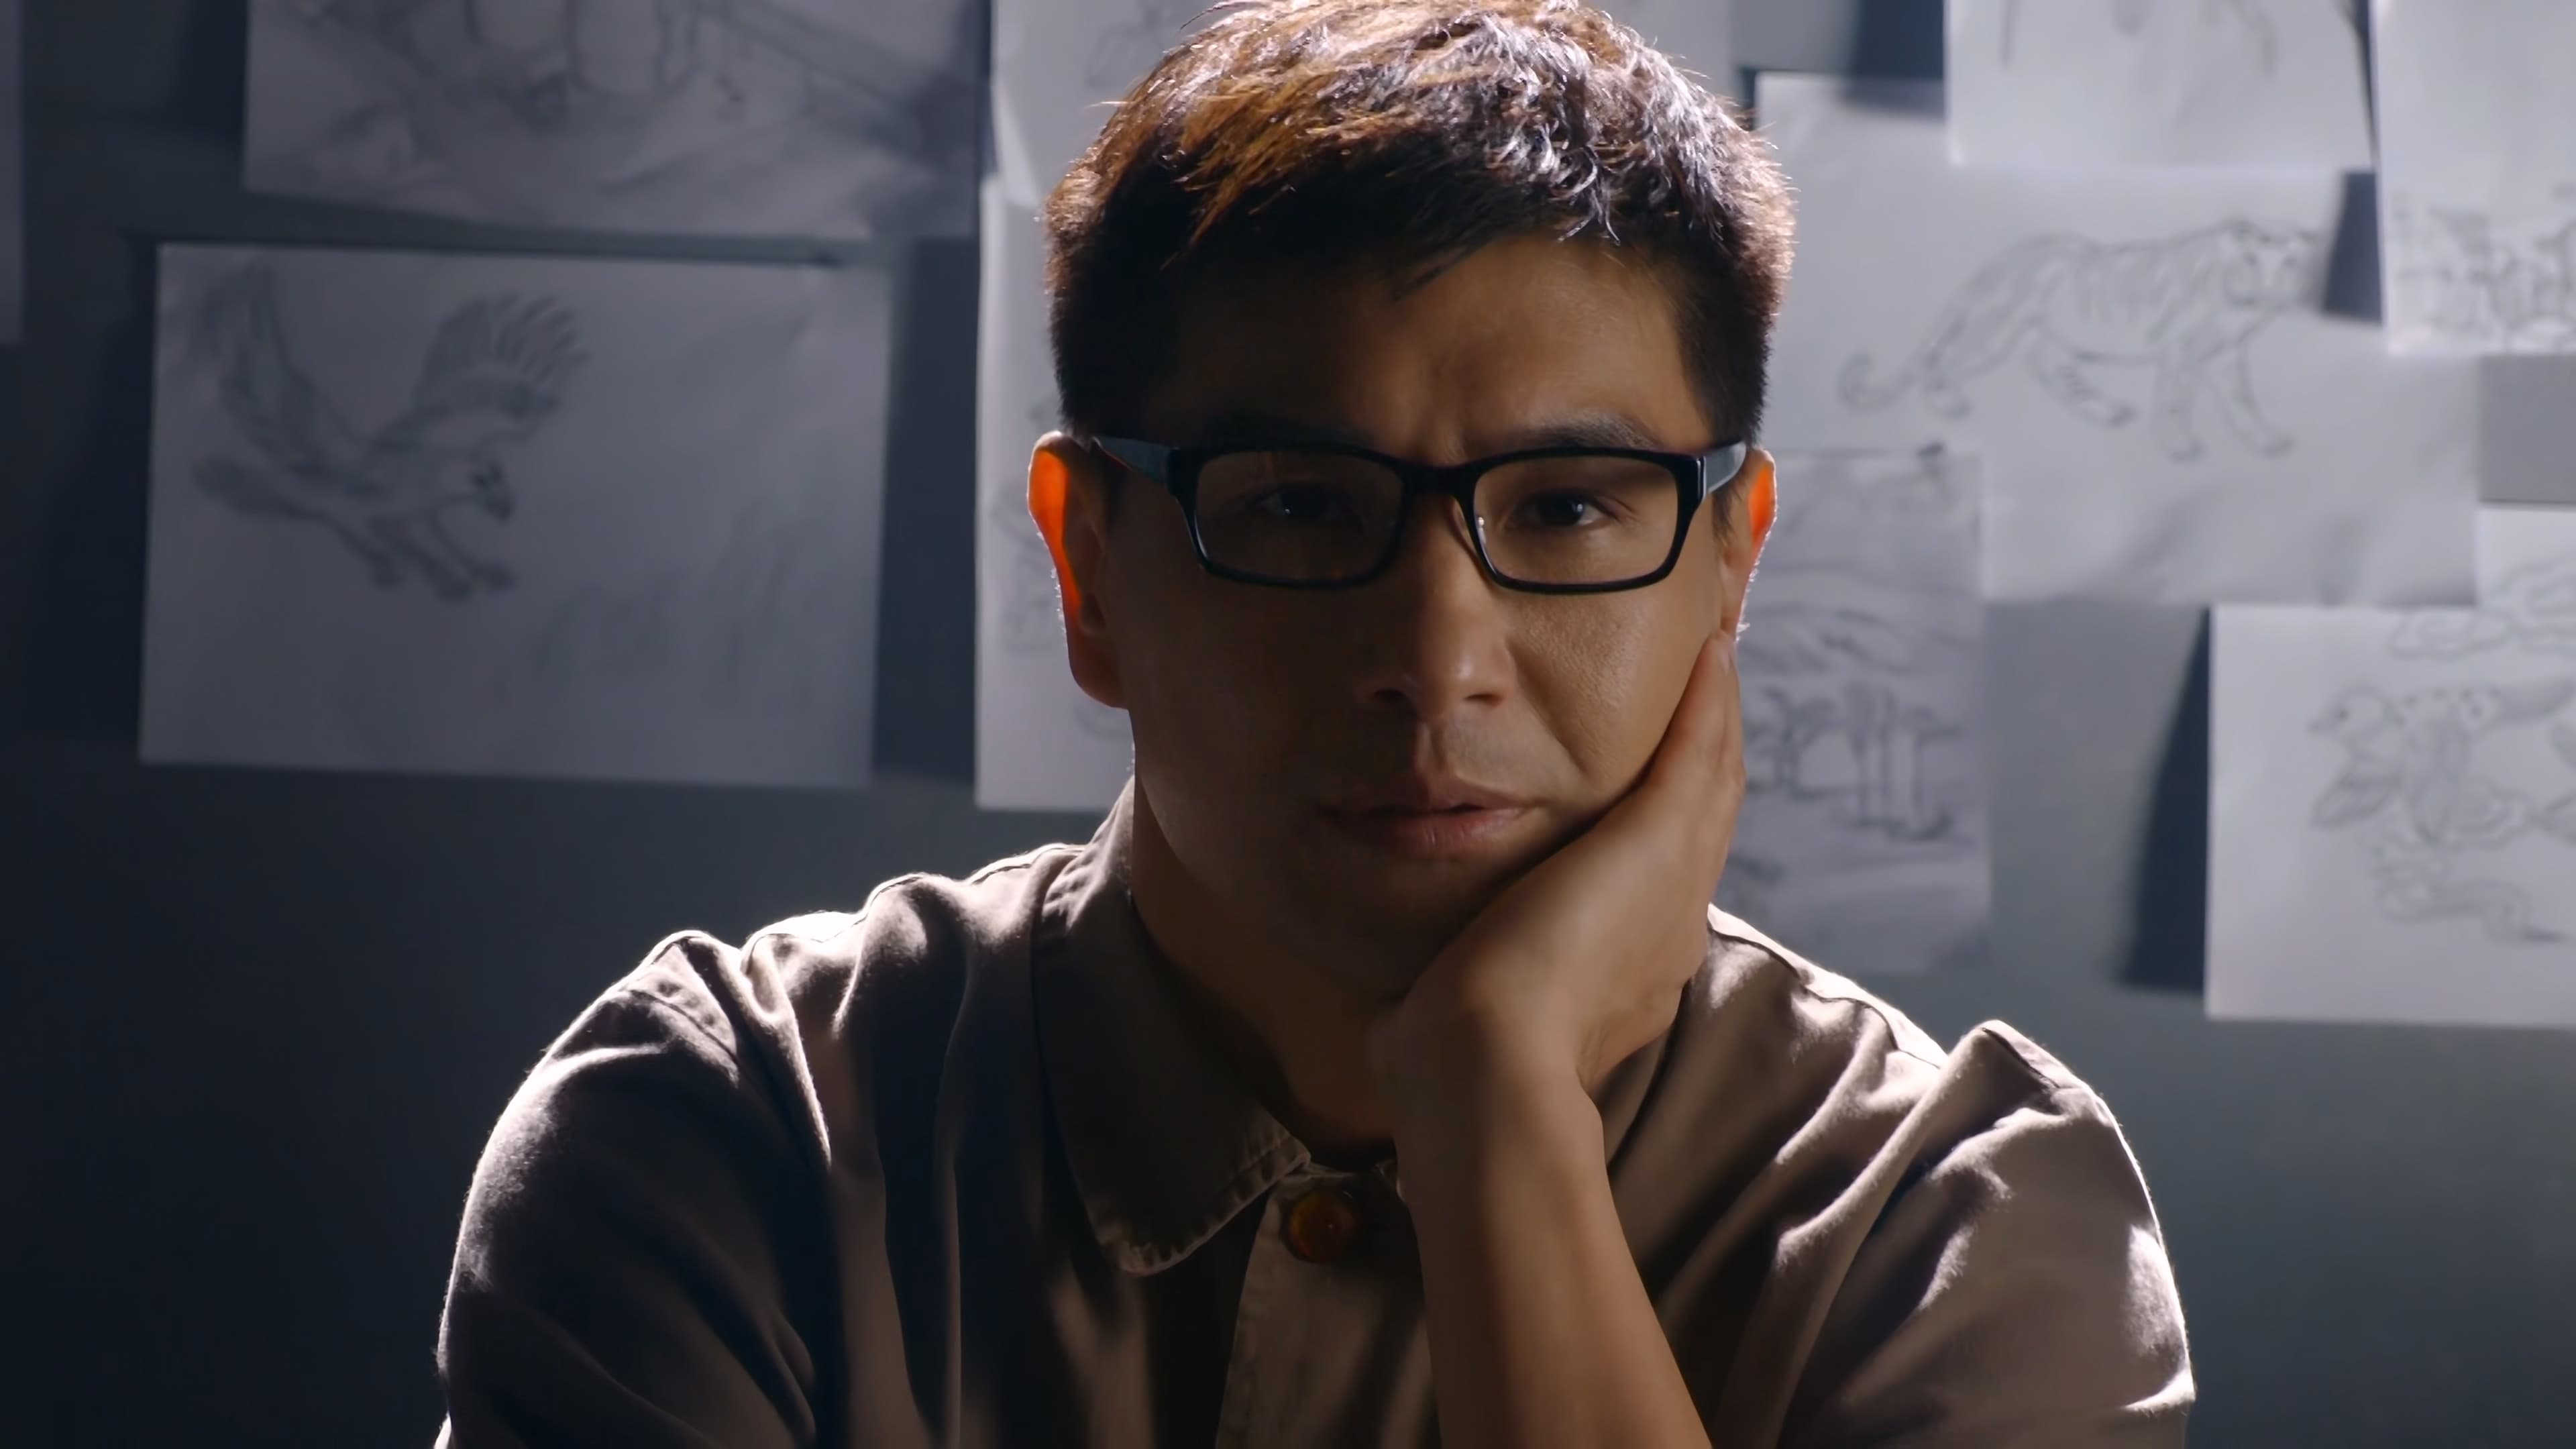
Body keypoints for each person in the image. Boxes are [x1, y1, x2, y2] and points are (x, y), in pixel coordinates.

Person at [431, 3, 2194, 1444]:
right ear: (1090, 571)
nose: (1436, 659)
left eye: (1569, 507)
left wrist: (1499, 1111)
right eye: (1292, 504)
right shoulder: (733, 1138)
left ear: (1730, 563)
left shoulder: (1955, 1226)